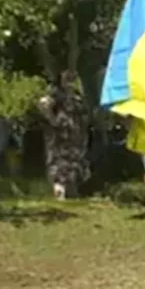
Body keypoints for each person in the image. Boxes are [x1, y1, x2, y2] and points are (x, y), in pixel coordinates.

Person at [38, 70, 90, 200]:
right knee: (59, 164)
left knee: (74, 163)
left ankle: (72, 192)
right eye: (68, 80)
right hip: (60, 136)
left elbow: (84, 113)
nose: (71, 83)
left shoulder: (77, 96)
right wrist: (52, 119)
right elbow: (43, 104)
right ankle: (59, 193)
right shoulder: (57, 94)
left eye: (72, 79)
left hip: (76, 135)